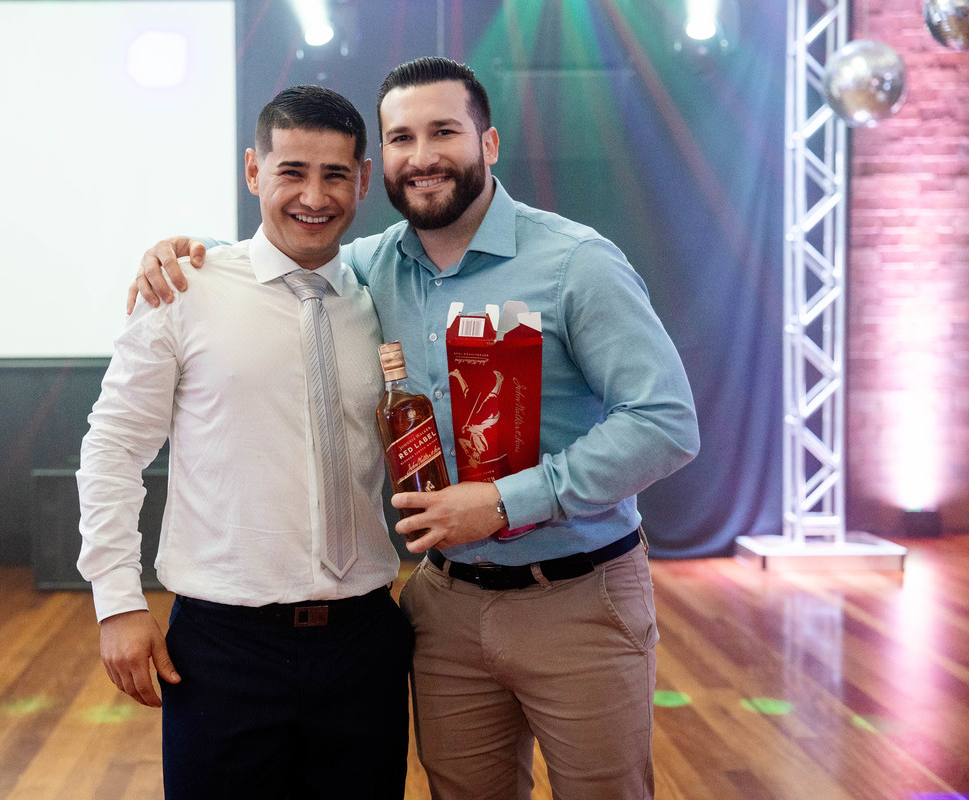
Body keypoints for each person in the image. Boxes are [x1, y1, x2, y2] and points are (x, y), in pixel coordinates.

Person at [133, 57, 700, 800]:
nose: (423, 155)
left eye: (444, 132)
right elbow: (282, 251)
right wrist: (184, 254)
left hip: (578, 599)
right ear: (382, 165)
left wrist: (504, 503)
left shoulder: (575, 263)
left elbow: (665, 423)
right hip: (445, 607)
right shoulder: (368, 269)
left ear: (488, 144)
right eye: (402, 137)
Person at [76, 85, 413, 800]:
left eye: (334, 175)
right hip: (226, 649)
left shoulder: (379, 294)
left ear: (362, 179)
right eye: (292, 171)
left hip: (365, 641)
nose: (313, 196)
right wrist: (117, 600)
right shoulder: (183, 287)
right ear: (254, 171)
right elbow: (111, 449)